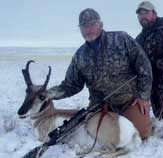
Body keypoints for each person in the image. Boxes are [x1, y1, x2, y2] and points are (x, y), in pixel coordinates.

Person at [48, 8, 153, 139]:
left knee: (140, 135)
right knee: (94, 135)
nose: (88, 29)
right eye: (84, 26)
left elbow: (144, 65)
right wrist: (48, 94)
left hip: (129, 101)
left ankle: (141, 118)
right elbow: (71, 85)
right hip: (100, 106)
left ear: (101, 25)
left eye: (92, 24)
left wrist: (143, 96)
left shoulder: (121, 39)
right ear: (80, 29)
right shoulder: (80, 56)